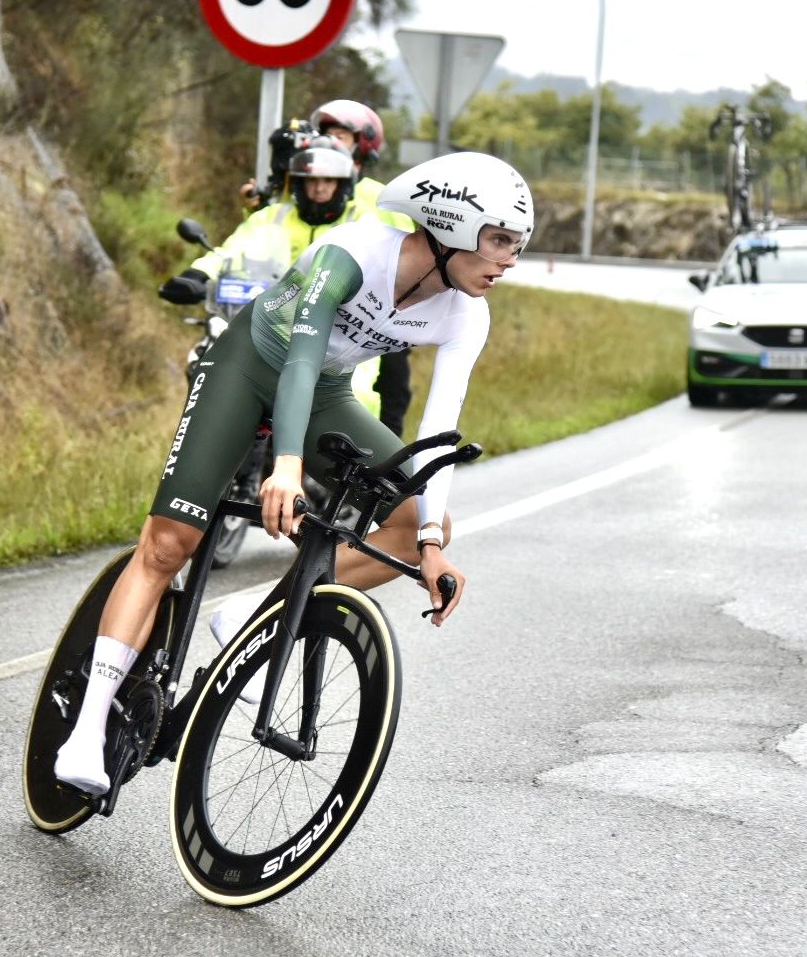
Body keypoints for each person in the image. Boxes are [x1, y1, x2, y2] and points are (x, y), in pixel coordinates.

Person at [54, 151, 534, 796]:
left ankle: (253, 611)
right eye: (500, 240)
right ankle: (86, 729)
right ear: (448, 226)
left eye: (517, 245)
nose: (509, 259)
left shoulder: (466, 312)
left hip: (326, 392)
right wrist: (285, 465)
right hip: (249, 367)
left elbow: (435, 431)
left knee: (421, 519)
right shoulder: (355, 252)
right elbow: (300, 359)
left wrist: (428, 546)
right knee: (170, 543)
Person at [161, 136, 385, 412]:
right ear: (297, 182)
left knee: (355, 398)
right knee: (207, 364)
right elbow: (231, 250)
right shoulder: (271, 216)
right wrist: (198, 274)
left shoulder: (363, 224)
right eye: (310, 180)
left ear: (343, 184)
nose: (318, 188)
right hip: (270, 325)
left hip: (340, 334)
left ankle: (352, 454)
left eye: (328, 181)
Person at [309, 98, 415, 435]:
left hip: (377, 309)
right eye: (327, 134)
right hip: (316, 300)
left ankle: (387, 470)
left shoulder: (383, 197)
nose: (333, 143)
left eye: (342, 135)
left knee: (392, 385)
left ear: (363, 144)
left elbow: (411, 248)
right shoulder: (313, 188)